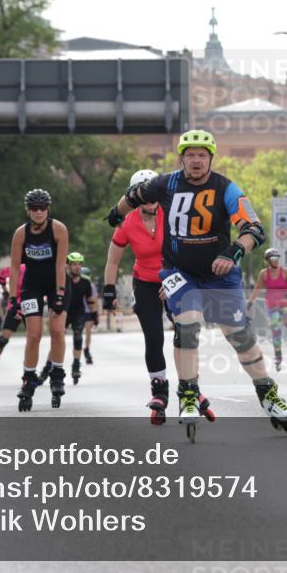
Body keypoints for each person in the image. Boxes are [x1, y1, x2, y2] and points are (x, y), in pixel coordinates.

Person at [105, 130, 287, 440]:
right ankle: (187, 392)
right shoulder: (165, 183)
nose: (196, 161)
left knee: (239, 335)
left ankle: (268, 393)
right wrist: (117, 213)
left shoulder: (226, 188)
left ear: (211, 158)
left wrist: (235, 251)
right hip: (178, 271)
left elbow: (254, 229)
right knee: (187, 325)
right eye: (190, 155)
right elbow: (133, 196)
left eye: (202, 155)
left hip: (219, 274)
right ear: (182, 158)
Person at [104, 168, 174, 424]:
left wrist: (174, 281)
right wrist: (108, 291)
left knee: (184, 332)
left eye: (152, 193)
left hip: (174, 278)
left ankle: (191, 386)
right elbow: (113, 261)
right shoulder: (127, 223)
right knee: (154, 338)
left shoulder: (171, 214)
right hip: (144, 282)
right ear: (134, 197)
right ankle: (159, 391)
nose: (149, 199)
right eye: (143, 195)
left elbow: (187, 251)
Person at [9, 189, 70, 411]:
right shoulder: (21, 234)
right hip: (32, 285)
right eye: (33, 208)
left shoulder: (58, 229)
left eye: (42, 208)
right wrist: (12, 297)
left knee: (56, 330)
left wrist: (61, 293)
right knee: (33, 334)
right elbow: (15, 267)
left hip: (57, 283)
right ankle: (28, 378)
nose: (38, 212)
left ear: (48, 209)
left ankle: (57, 373)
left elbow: (60, 264)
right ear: (27, 210)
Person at [248, 248, 287, 371]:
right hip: (272, 307)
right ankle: (278, 356)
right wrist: (250, 303)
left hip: (286, 307)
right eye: (273, 259)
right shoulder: (264, 274)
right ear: (267, 261)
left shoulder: (285, 272)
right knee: (276, 332)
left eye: (277, 258)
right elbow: (257, 289)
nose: (276, 261)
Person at [64, 253, 98, 385]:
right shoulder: (63, 279)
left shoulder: (86, 281)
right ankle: (49, 367)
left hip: (78, 313)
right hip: (64, 312)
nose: (77, 267)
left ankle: (76, 365)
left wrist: (95, 315)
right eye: (74, 264)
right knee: (57, 337)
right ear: (68, 265)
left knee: (78, 338)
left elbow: (90, 300)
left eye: (79, 264)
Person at [80, 266, 98, 364]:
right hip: (82, 311)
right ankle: (85, 350)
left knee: (86, 332)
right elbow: (94, 301)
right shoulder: (90, 285)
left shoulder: (91, 285)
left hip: (86, 311)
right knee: (86, 332)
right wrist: (96, 314)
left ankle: (86, 350)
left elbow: (94, 300)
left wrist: (95, 315)